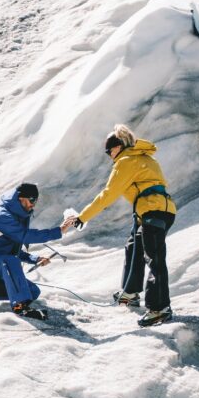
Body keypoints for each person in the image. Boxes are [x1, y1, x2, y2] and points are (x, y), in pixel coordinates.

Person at [64, 125, 177, 327]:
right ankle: (130, 291)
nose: (109, 155)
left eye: (110, 150)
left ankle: (160, 308)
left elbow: (108, 195)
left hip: (153, 211)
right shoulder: (145, 157)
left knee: (155, 258)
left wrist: (83, 217)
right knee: (134, 246)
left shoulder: (126, 161)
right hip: (157, 211)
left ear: (118, 147)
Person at [0, 182, 76, 319]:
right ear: (19, 198)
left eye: (36, 200)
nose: (33, 204)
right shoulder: (2, 216)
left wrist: (35, 259)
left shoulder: (18, 216)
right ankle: (20, 307)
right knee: (10, 261)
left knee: (33, 292)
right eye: (31, 200)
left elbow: (12, 249)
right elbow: (25, 236)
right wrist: (59, 231)